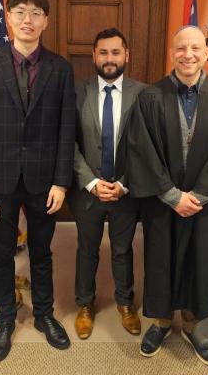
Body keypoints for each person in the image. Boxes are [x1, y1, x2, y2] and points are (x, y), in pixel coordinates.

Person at [127, 25, 208, 366]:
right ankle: (162, 322)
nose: (188, 55)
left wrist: (200, 195)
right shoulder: (150, 98)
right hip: (164, 202)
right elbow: (142, 151)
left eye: (196, 48)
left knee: (202, 262)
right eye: (181, 48)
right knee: (160, 258)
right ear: (172, 53)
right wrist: (170, 194)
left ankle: (196, 325)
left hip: (204, 205)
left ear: (207, 52)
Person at [0, 0, 75, 362]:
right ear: (8, 19)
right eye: (19, 12)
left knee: (43, 252)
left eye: (35, 13)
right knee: (1, 254)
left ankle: (44, 316)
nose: (27, 19)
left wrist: (62, 181)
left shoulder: (61, 69)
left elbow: (66, 130)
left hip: (45, 181)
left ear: (46, 21)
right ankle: (7, 320)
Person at [67, 28, 146, 339]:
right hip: (88, 192)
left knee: (122, 249)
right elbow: (68, 143)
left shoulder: (144, 95)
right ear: (94, 56)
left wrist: (125, 183)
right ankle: (85, 304)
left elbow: (147, 147)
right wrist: (89, 181)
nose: (109, 59)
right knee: (86, 248)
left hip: (126, 191)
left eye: (116, 52)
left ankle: (125, 303)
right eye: (103, 53)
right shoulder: (75, 93)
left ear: (126, 55)